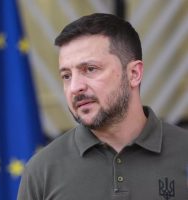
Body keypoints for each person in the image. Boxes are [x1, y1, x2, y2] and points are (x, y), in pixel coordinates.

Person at [17, 13, 188, 200]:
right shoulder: (42, 171)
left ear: (134, 73)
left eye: (90, 69)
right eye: (66, 76)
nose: (75, 87)